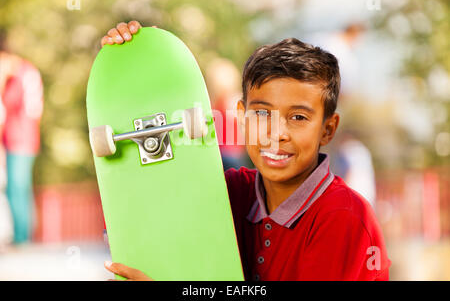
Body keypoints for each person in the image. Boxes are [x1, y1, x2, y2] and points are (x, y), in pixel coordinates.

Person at [100, 21, 390, 281]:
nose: (277, 134)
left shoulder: (343, 217)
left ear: (327, 129)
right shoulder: (232, 193)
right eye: (262, 114)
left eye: (298, 118)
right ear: (242, 116)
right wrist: (132, 59)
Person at [0, 31, 43, 244]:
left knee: (17, 187)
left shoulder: (25, 74)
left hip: (23, 139)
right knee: (17, 188)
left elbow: (31, 108)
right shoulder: (13, 78)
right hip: (12, 139)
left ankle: (22, 238)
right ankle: (22, 236)